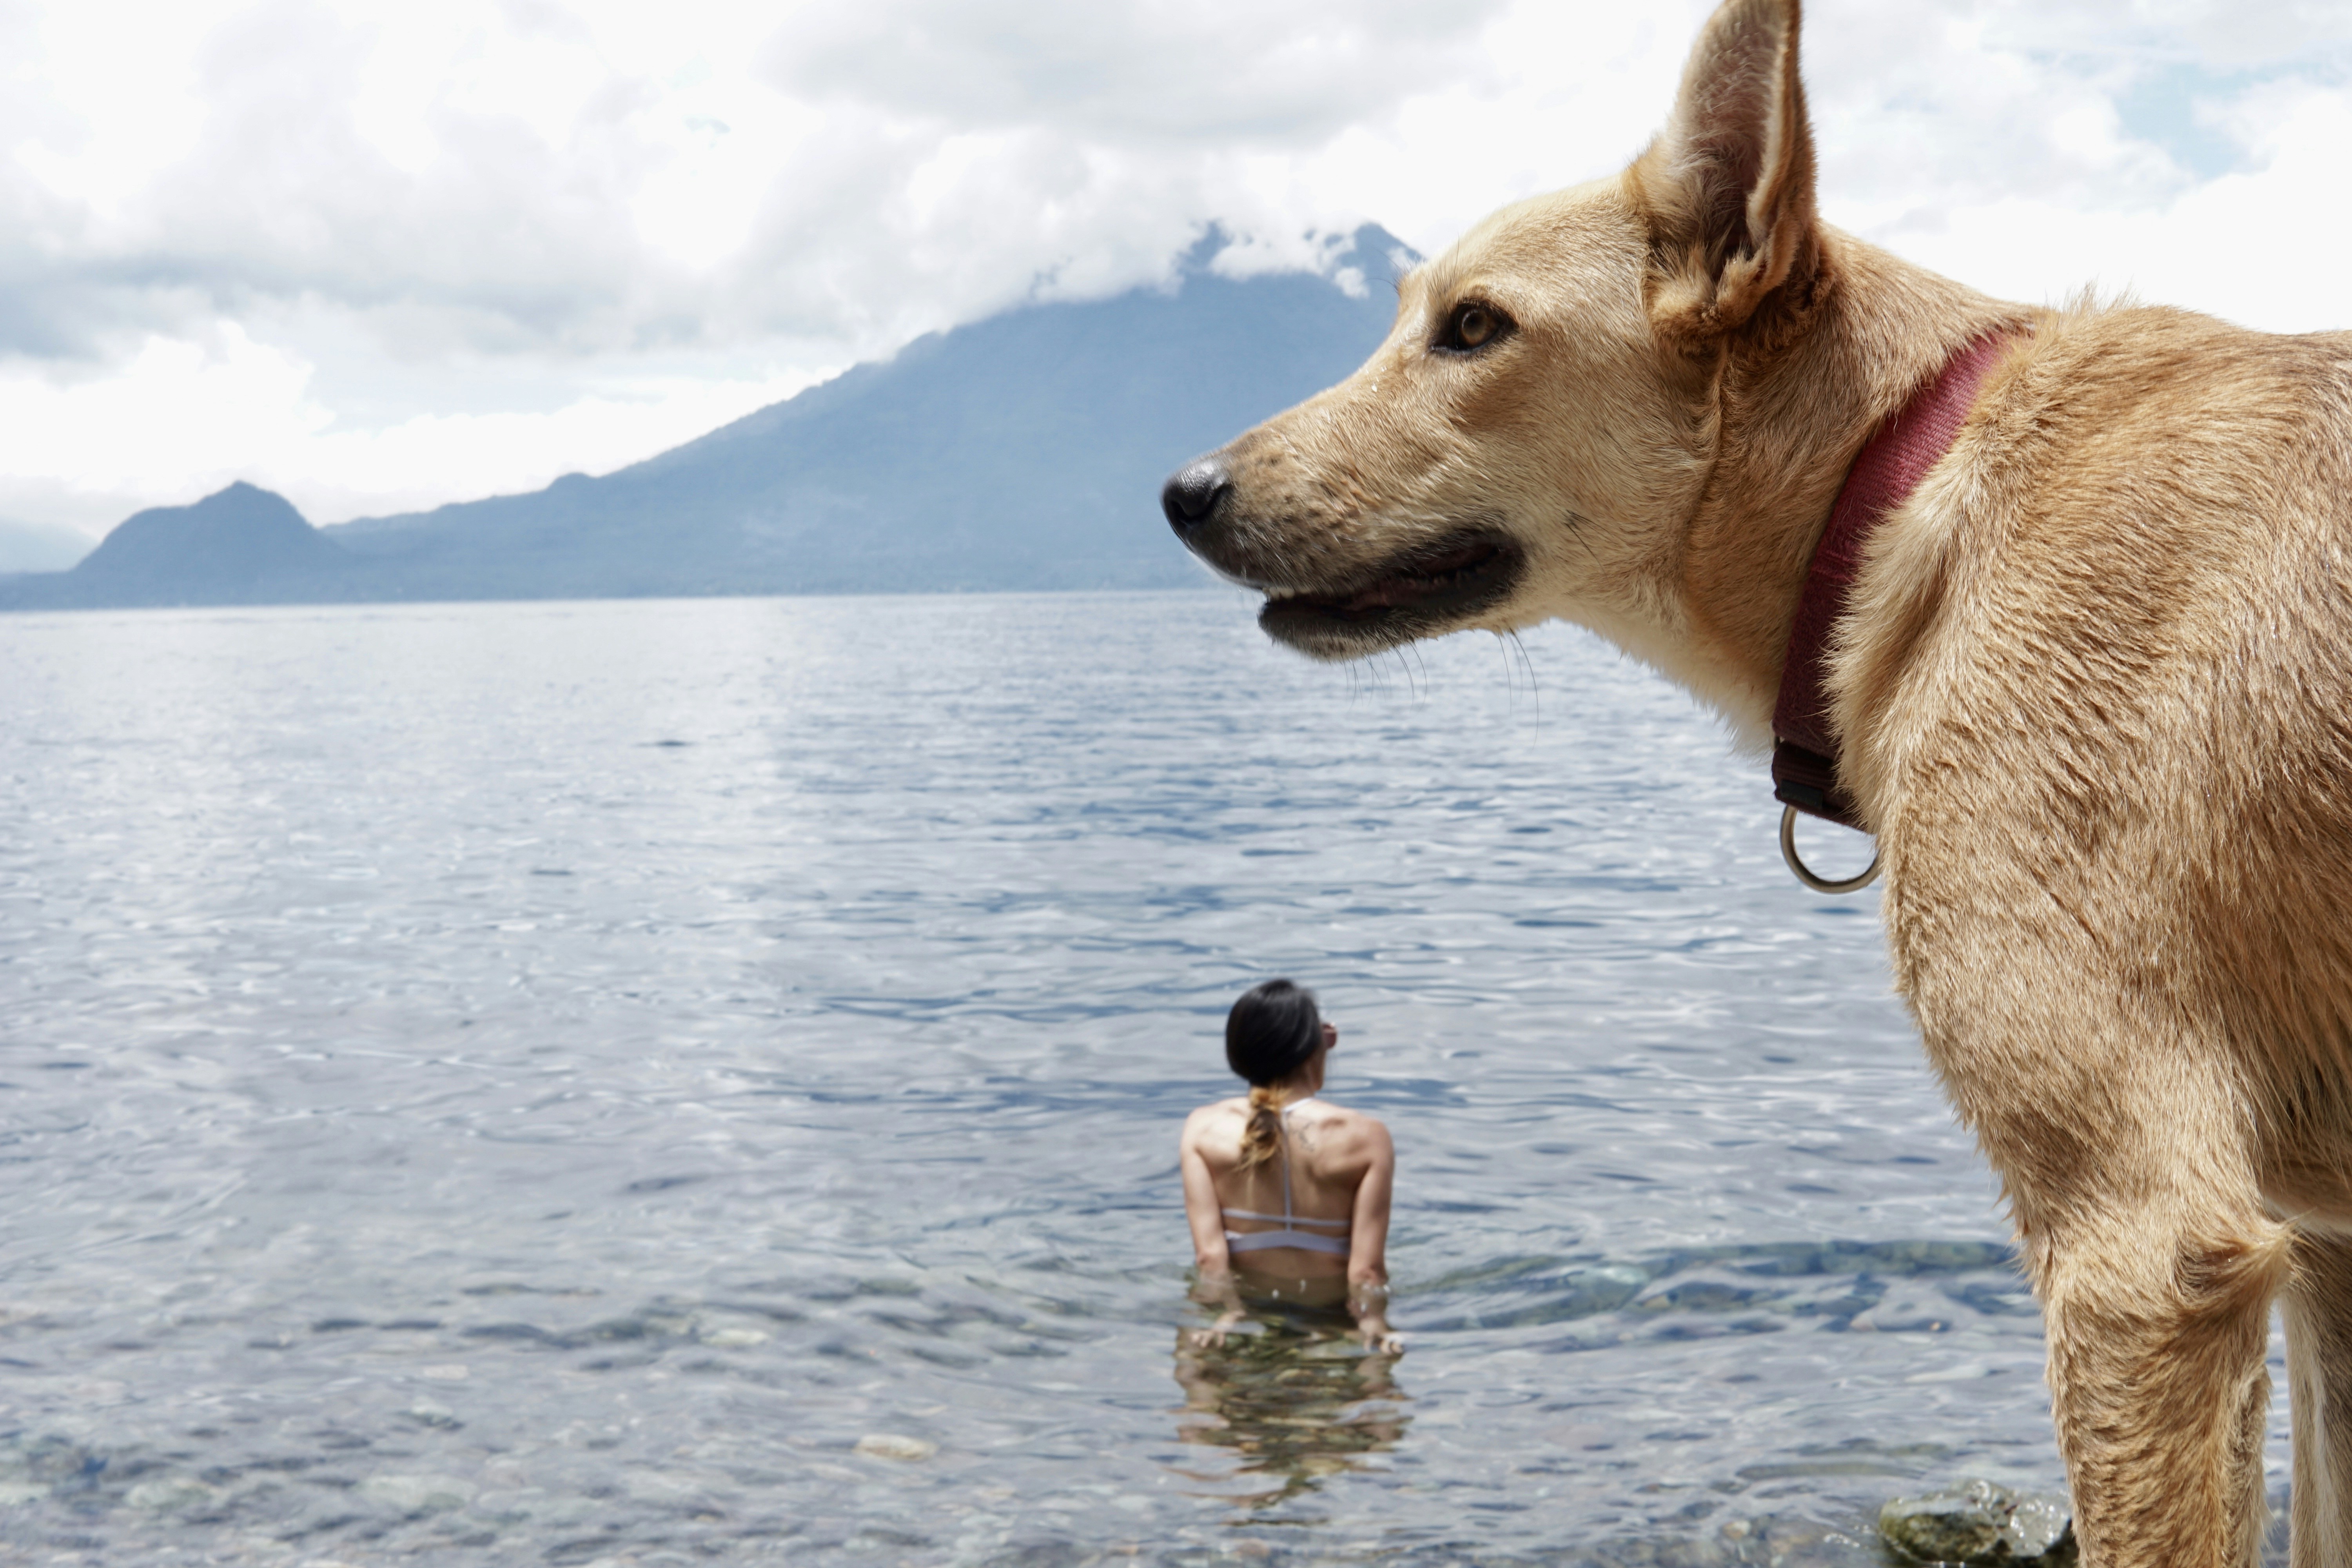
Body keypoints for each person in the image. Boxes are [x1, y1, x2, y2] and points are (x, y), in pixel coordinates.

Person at [1179, 979, 1401, 1353]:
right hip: (1330, 1314)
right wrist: (1372, 1323)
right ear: (1315, 1046)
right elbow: (1367, 1272)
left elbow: (1211, 1259)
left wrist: (1229, 1313)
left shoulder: (1203, 1128)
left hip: (1252, 1310)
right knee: (1378, 1402)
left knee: (1201, 1401)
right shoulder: (1365, 1136)